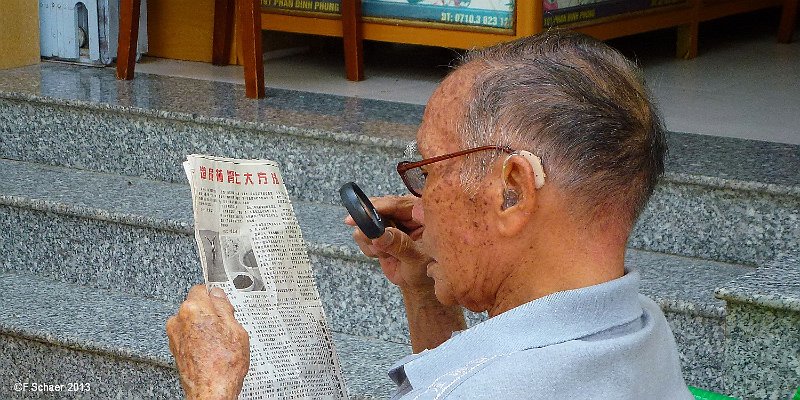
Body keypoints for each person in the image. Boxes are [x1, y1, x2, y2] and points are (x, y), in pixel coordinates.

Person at [166, 31, 693, 399]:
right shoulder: (641, 329)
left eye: (428, 172)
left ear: (511, 191)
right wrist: (422, 288)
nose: (418, 206)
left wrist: (212, 390)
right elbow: (471, 369)